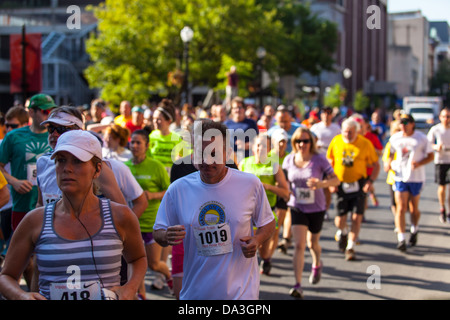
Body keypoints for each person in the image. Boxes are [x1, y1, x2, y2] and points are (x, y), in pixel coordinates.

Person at [0, 130, 147, 300]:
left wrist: (130, 288)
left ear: (97, 169)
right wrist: (21, 296)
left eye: (77, 161)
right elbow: (6, 276)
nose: (67, 169)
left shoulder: (120, 216)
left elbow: (138, 258)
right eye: (61, 160)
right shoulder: (35, 220)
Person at [153, 120, 275, 300]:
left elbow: (268, 223)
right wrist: (166, 236)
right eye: (201, 153)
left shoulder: (250, 184)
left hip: (241, 293)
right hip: (196, 294)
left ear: (227, 153)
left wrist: (257, 239)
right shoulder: (178, 189)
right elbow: (158, 231)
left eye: (214, 153)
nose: (207, 161)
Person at [283, 127, 339, 298]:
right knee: (299, 245)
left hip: (316, 207)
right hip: (297, 206)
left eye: (305, 141)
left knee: (312, 244)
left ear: (311, 142)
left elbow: (336, 179)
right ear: (294, 143)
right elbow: (284, 181)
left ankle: (316, 263)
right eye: (298, 141)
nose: (302, 144)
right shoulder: (288, 159)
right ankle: (298, 284)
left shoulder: (319, 159)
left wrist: (320, 184)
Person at [125, 129, 172, 294]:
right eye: (133, 142)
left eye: (139, 142)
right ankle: (141, 296)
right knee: (135, 267)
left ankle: (170, 278)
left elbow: (169, 191)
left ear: (147, 145)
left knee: (154, 264)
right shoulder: (125, 167)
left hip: (152, 222)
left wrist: (153, 195)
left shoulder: (156, 166)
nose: (135, 146)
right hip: (132, 224)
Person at [327, 118, 379, 261]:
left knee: (356, 217)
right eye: (345, 132)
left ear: (357, 131)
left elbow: (376, 164)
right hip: (340, 184)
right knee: (339, 220)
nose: (348, 135)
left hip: (359, 184)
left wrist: (370, 181)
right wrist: (330, 182)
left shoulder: (365, 143)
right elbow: (329, 162)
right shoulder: (336, 141)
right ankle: (343, 232)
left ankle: (350, 247)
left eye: (351, 132)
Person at [239, 133, 290, 275]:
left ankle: (266, 259)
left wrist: (266, 187)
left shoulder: (274, 166)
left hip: (266, 213)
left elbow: (285, 193)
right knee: (246, 246)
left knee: (263, 249)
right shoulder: (244, 163)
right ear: (253, 147)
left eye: (264, 146)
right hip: (246, 212)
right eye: (258, 144)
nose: (260, 148)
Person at [386, 114, 434, 251]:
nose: (403, 125)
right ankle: (401, 238)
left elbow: (431, 156)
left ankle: (414, 229)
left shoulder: (421, 138)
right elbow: (390, 153)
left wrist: (419, 163)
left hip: (416, 177)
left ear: (412, 123)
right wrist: (388, 163)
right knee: (401, 207)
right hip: (400, 176)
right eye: (401, 122)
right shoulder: (395, 138)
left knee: (414, 208)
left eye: (406, 122)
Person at [149, 99, 188, 174]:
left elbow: (183, 160)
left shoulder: (177, 138)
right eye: (154, 118)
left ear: (169, 121)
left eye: (158, 119)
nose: (155, 121)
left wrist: (180, 160)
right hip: (153, 175)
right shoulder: (151, 136)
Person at [427, 107, 450, 223]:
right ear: (440, 117)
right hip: (440, 161)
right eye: (444, 116)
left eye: (448, 117)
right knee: (442, 187)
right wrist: (436, 147)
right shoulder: (435, 130)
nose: (446, 119)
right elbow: (428, 144)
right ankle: (442, 207)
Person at [223, 96, 259, 161]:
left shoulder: (251, 123)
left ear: (244, 109)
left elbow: (257, 142)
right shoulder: (226, 124)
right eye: (235, 108)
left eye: (240, 107)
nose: (237, 110)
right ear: (231, 110)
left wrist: (246, 145)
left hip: (247, 159)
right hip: (230, 160)